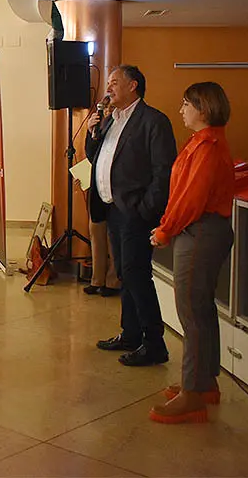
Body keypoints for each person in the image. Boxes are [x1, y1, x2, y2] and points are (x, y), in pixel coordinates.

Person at [147, 82, 236, 424]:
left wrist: (167, 228)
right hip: (202, 230)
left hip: (199, 232)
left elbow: (191, 197)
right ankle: (204, 381)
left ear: (203, 107)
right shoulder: (201, 143)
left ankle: (192, 394)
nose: (181, 109)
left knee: (191, 311)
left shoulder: (208, 147)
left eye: (186, 104)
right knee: (200, 307)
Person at [88, 65, 177, 367]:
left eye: (114, 83)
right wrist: (93, 130)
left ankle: (155, 344)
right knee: (126, 274)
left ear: (133, 85)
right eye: (109, 83)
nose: (108, 88)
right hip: (113, 209)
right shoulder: (112, 120)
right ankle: (130, 334)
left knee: (137, 275)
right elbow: (94, 155)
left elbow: (163, 171)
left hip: (135, 213)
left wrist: (145, 209)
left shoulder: (153, 121)